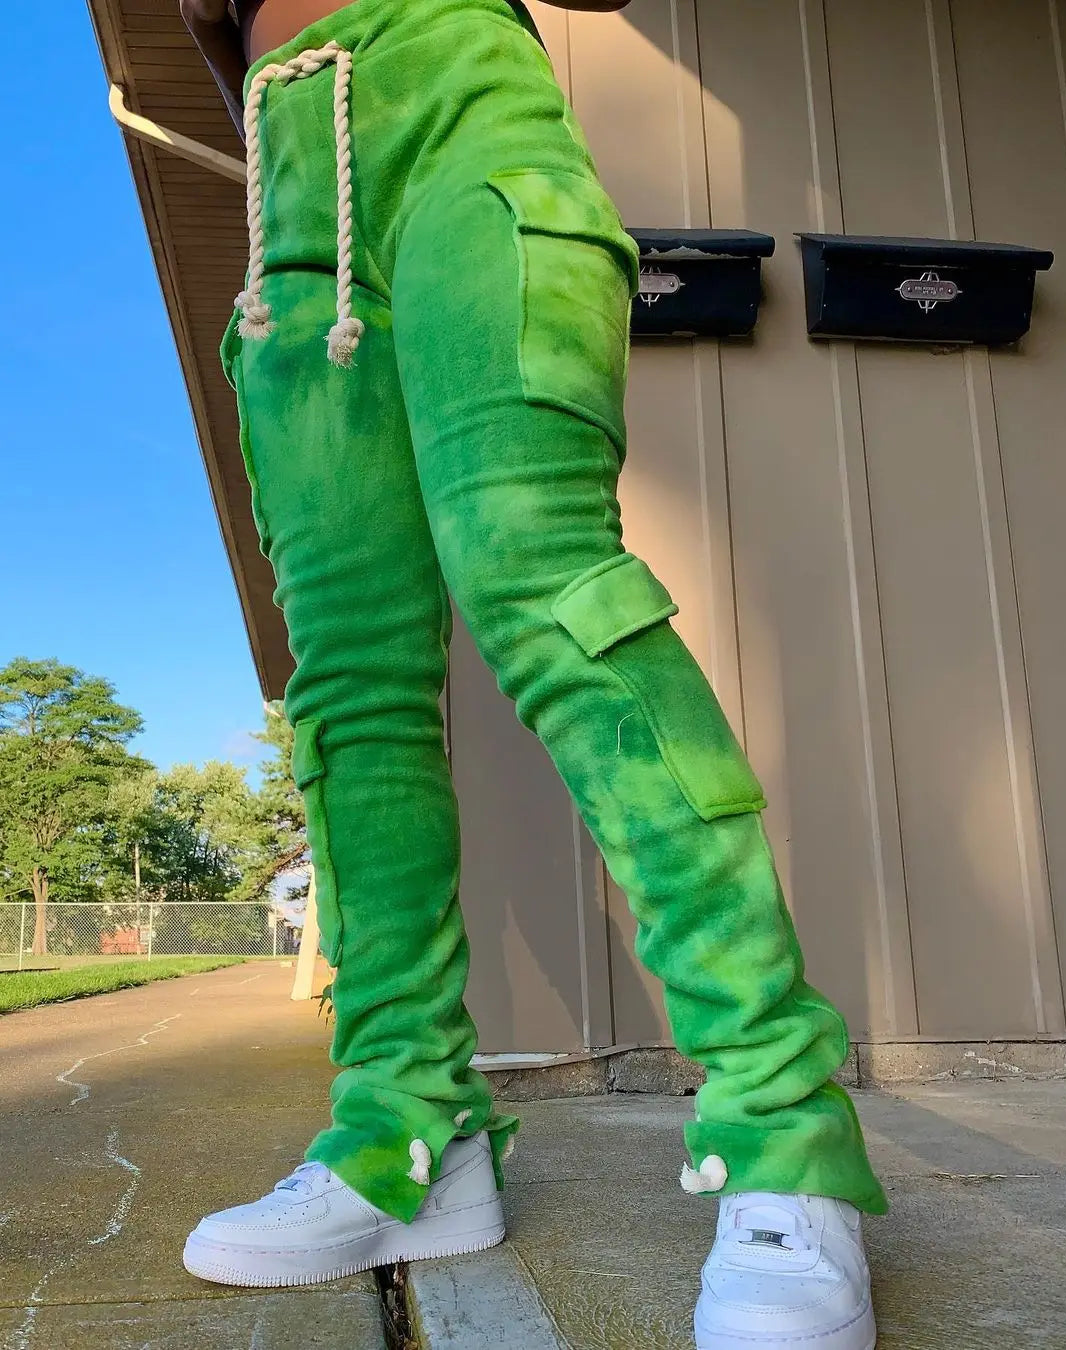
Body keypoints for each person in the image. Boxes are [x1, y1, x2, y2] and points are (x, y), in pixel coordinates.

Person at [179, 1, 887, 1344]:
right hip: (290, 187)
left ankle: (784, 1125)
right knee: (348, 683)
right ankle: (407, 1133)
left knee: (550, 586)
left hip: (468, 107)